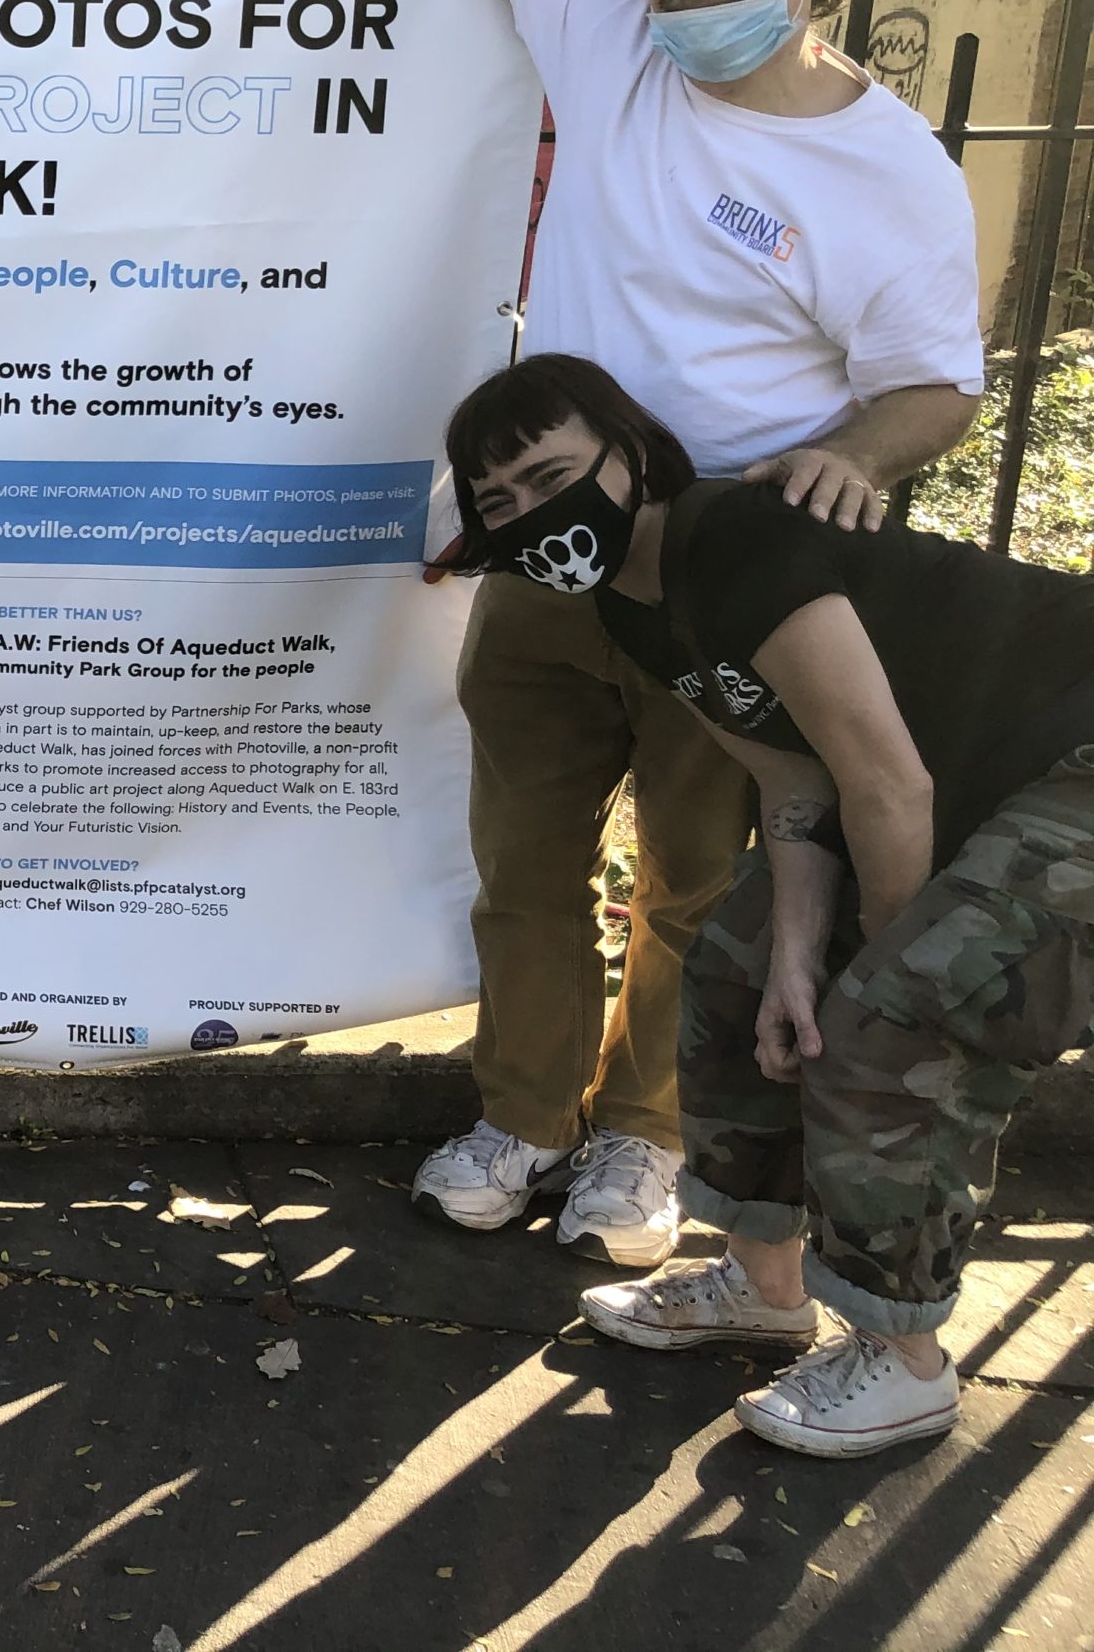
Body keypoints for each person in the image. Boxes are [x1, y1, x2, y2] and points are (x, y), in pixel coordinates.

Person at [178, 0, 983, 1265]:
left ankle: (644, 1137)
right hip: (548, 563)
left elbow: (935, 385)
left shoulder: (891, 169)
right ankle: (524, 1115)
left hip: (729, 592)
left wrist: (850, 457)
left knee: (696, 878)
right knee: (527, 859)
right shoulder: (611, 34)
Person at [447, 354, 1094, 1457]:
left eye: (552, 475)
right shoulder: (634, 603)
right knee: (736, 960)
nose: (529, 516)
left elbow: (888, 784)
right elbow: (797, 785)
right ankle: (764, 1282)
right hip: (959, 788)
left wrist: (861, 977)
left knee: (900, 1013)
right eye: (497, 503)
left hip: (1065, 764)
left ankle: (906, 1360)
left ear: (632, 456)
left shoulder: (735, 541)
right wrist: (796, 957)